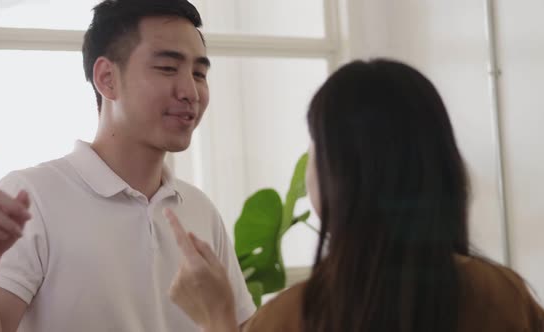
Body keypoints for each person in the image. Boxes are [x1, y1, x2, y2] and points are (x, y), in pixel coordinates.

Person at [165, 59, 544, 332]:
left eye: (315, 148)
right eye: (168, 67)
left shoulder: (295, 317)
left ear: (339, 178)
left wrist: (216, 319)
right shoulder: (505, 297)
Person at [0, 0, 255, 331]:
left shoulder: (201, 210)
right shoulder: (32, 198)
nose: (191, 92)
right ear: (107, 78)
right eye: (168, 68)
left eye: (199, 73)